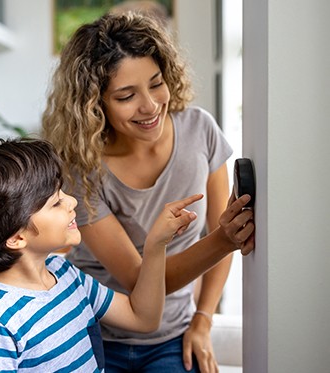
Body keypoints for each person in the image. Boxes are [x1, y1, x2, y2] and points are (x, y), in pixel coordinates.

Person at [42, 12, 254, 373]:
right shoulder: (81, 165)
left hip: (172, 334)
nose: (151, 105)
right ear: (95, 105)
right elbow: (141, 282)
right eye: (126, 96)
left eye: (156, 83)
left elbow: (223, 228)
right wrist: (225, 239)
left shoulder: (200, 130)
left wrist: (203, 320)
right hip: (92, 332)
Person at [0, 137, 204, 372]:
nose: (73, 201)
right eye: (56, 202)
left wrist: (156, 245)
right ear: (17, 237)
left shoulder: (64, 273)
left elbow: (143, 318)